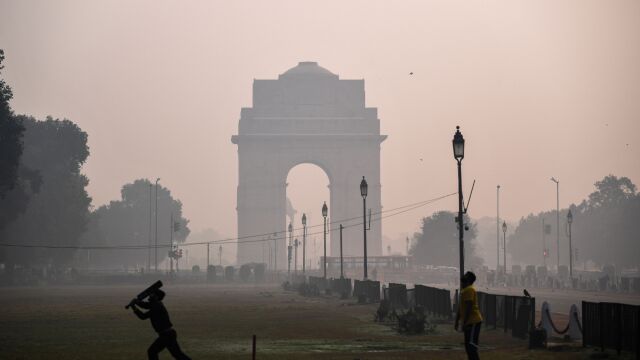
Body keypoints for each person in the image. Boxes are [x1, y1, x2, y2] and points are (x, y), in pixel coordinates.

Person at [129, 289, 191, 360]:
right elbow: (146, 305)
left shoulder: (156, 306)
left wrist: (134, 307)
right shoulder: (157, 304)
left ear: (156, 297)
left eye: (152, 294)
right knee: (177, 354)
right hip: (169, 334)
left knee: (152, 352)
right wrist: (137, 302)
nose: (150, 295)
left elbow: (143, 316)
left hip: (166, 335)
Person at [455, 271, 483, 360]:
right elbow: (460, 307)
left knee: (471, 347)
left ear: (468, 280)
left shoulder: (470, 289)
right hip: (469, 322)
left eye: (465, 278)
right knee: (468, 347)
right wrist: (457, 321)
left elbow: (469, 307)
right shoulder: (464, 291)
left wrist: (464, 322)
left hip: (473, 321)